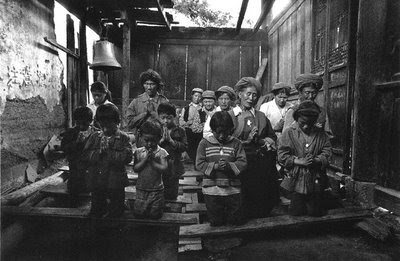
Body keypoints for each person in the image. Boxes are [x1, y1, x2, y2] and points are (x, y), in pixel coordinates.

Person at [232, 77, 279, 218]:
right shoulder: (231, 115)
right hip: (239, 162)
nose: (251, 98)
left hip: (260, 162)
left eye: (254, 95)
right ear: (240, 94)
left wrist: (264, 141)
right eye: (248, 94)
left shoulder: (261, 116)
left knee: (261, 195)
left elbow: (272, 136)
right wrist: (245, 141)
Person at [278, 101, 332, 216]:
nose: (306, 126)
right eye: (303, 122)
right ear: (297, 119)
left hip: (315, 179)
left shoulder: (321, 134)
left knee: (316, 211)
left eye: (310, 123)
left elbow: (327, 153)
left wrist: (317, 160)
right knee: (296, 211)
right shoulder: (289, 133)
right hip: (296, 179)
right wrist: (298, 161)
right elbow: (282, 155)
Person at [196, 111, 247, 226]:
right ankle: (216, 241)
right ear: (212, 130)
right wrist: (214, 166)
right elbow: (199, 163)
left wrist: (229, 166)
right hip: (212, 188)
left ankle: (233, 239)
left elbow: (243, 162)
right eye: (218, 132)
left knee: (235, 220)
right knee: (216, 220)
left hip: (232, 188)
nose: (221, 136)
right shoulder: (204, 143)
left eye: (225, 132)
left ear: (231, 129)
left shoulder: (236, 143)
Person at [83, 104, 132, 218]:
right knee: (97, 207)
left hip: (115, 180)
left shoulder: (124, 138)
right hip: (97, 178)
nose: (105, 129)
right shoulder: (95, 137)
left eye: (109, 126)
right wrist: (98, 152)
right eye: (102, 126)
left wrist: (109, 152)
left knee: (116, 208)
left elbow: (127, 157)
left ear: (117, 122)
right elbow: (85, 155)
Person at [61, 107, 98, 207]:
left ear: (90, 121)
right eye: (78, 123)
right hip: (75, 169)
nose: (81, 126)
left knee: (95, 190)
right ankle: (73, 209)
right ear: (75, 121)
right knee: (74, 191)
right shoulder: (71, 132)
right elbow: (64, 148)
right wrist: (76, 143)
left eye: (84, 124)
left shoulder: (97, 133)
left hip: (91, 169)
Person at [133, 120, 169, 219]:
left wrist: (152, 162)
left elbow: (164, 168)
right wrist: (145, 160)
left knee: (155, 214)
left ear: (159, 138)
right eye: (146, 140)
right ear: (141, 137)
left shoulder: (161, 152)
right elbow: (136, 168)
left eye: (153, 140)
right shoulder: (139, 152)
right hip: (141, 188)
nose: (149, 143)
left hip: (156, 189)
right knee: (139, 213)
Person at [283, 73, 333, 138]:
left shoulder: (322, 112)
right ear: (300, 93)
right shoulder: (292, 111)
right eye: (307, 93)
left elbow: (328, 134)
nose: (310, 96)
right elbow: (285, 137)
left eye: (314, 93)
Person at [126, 69, 169, 143]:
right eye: (146, 83)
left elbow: (169, 123)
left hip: (160, 141)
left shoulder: (164, 102)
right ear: (143, 84)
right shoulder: (136, 101)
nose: (149, 87)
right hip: (141, 141)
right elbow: (129, 124)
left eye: (152, 84)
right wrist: (144, 114)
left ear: (157, 85)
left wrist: (154, 114)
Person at [158, 103, 188, 200]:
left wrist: (171, 141)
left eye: (169, 118)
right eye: (163, 118)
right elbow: (150, 144)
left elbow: (184, 146)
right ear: (159, 117)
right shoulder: (157, 129)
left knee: (172, 191)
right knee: (159, 190)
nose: (166, 121)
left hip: (174, 165)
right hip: (159, 165)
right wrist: (161, 141)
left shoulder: (180, 131)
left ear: (174, 117)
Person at [179, 88, 203, 161]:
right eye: (195, 96)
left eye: (199, 96)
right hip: (189, 131)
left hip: (200, 132)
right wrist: (188, 123)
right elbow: (181, 121)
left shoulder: (202, 108)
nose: (197, 98)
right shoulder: (186, 108)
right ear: (192, 96)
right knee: (190, 146)